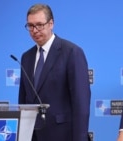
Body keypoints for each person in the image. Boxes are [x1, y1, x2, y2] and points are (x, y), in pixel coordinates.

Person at [18, 3, 91, 141]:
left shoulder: (72, 52)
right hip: (32, 136)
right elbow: (23, 101)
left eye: (39, 24)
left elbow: (81, 103)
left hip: (63, 135)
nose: (35, 30)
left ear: (51, 23)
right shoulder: (26, 57)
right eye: (30, 26)